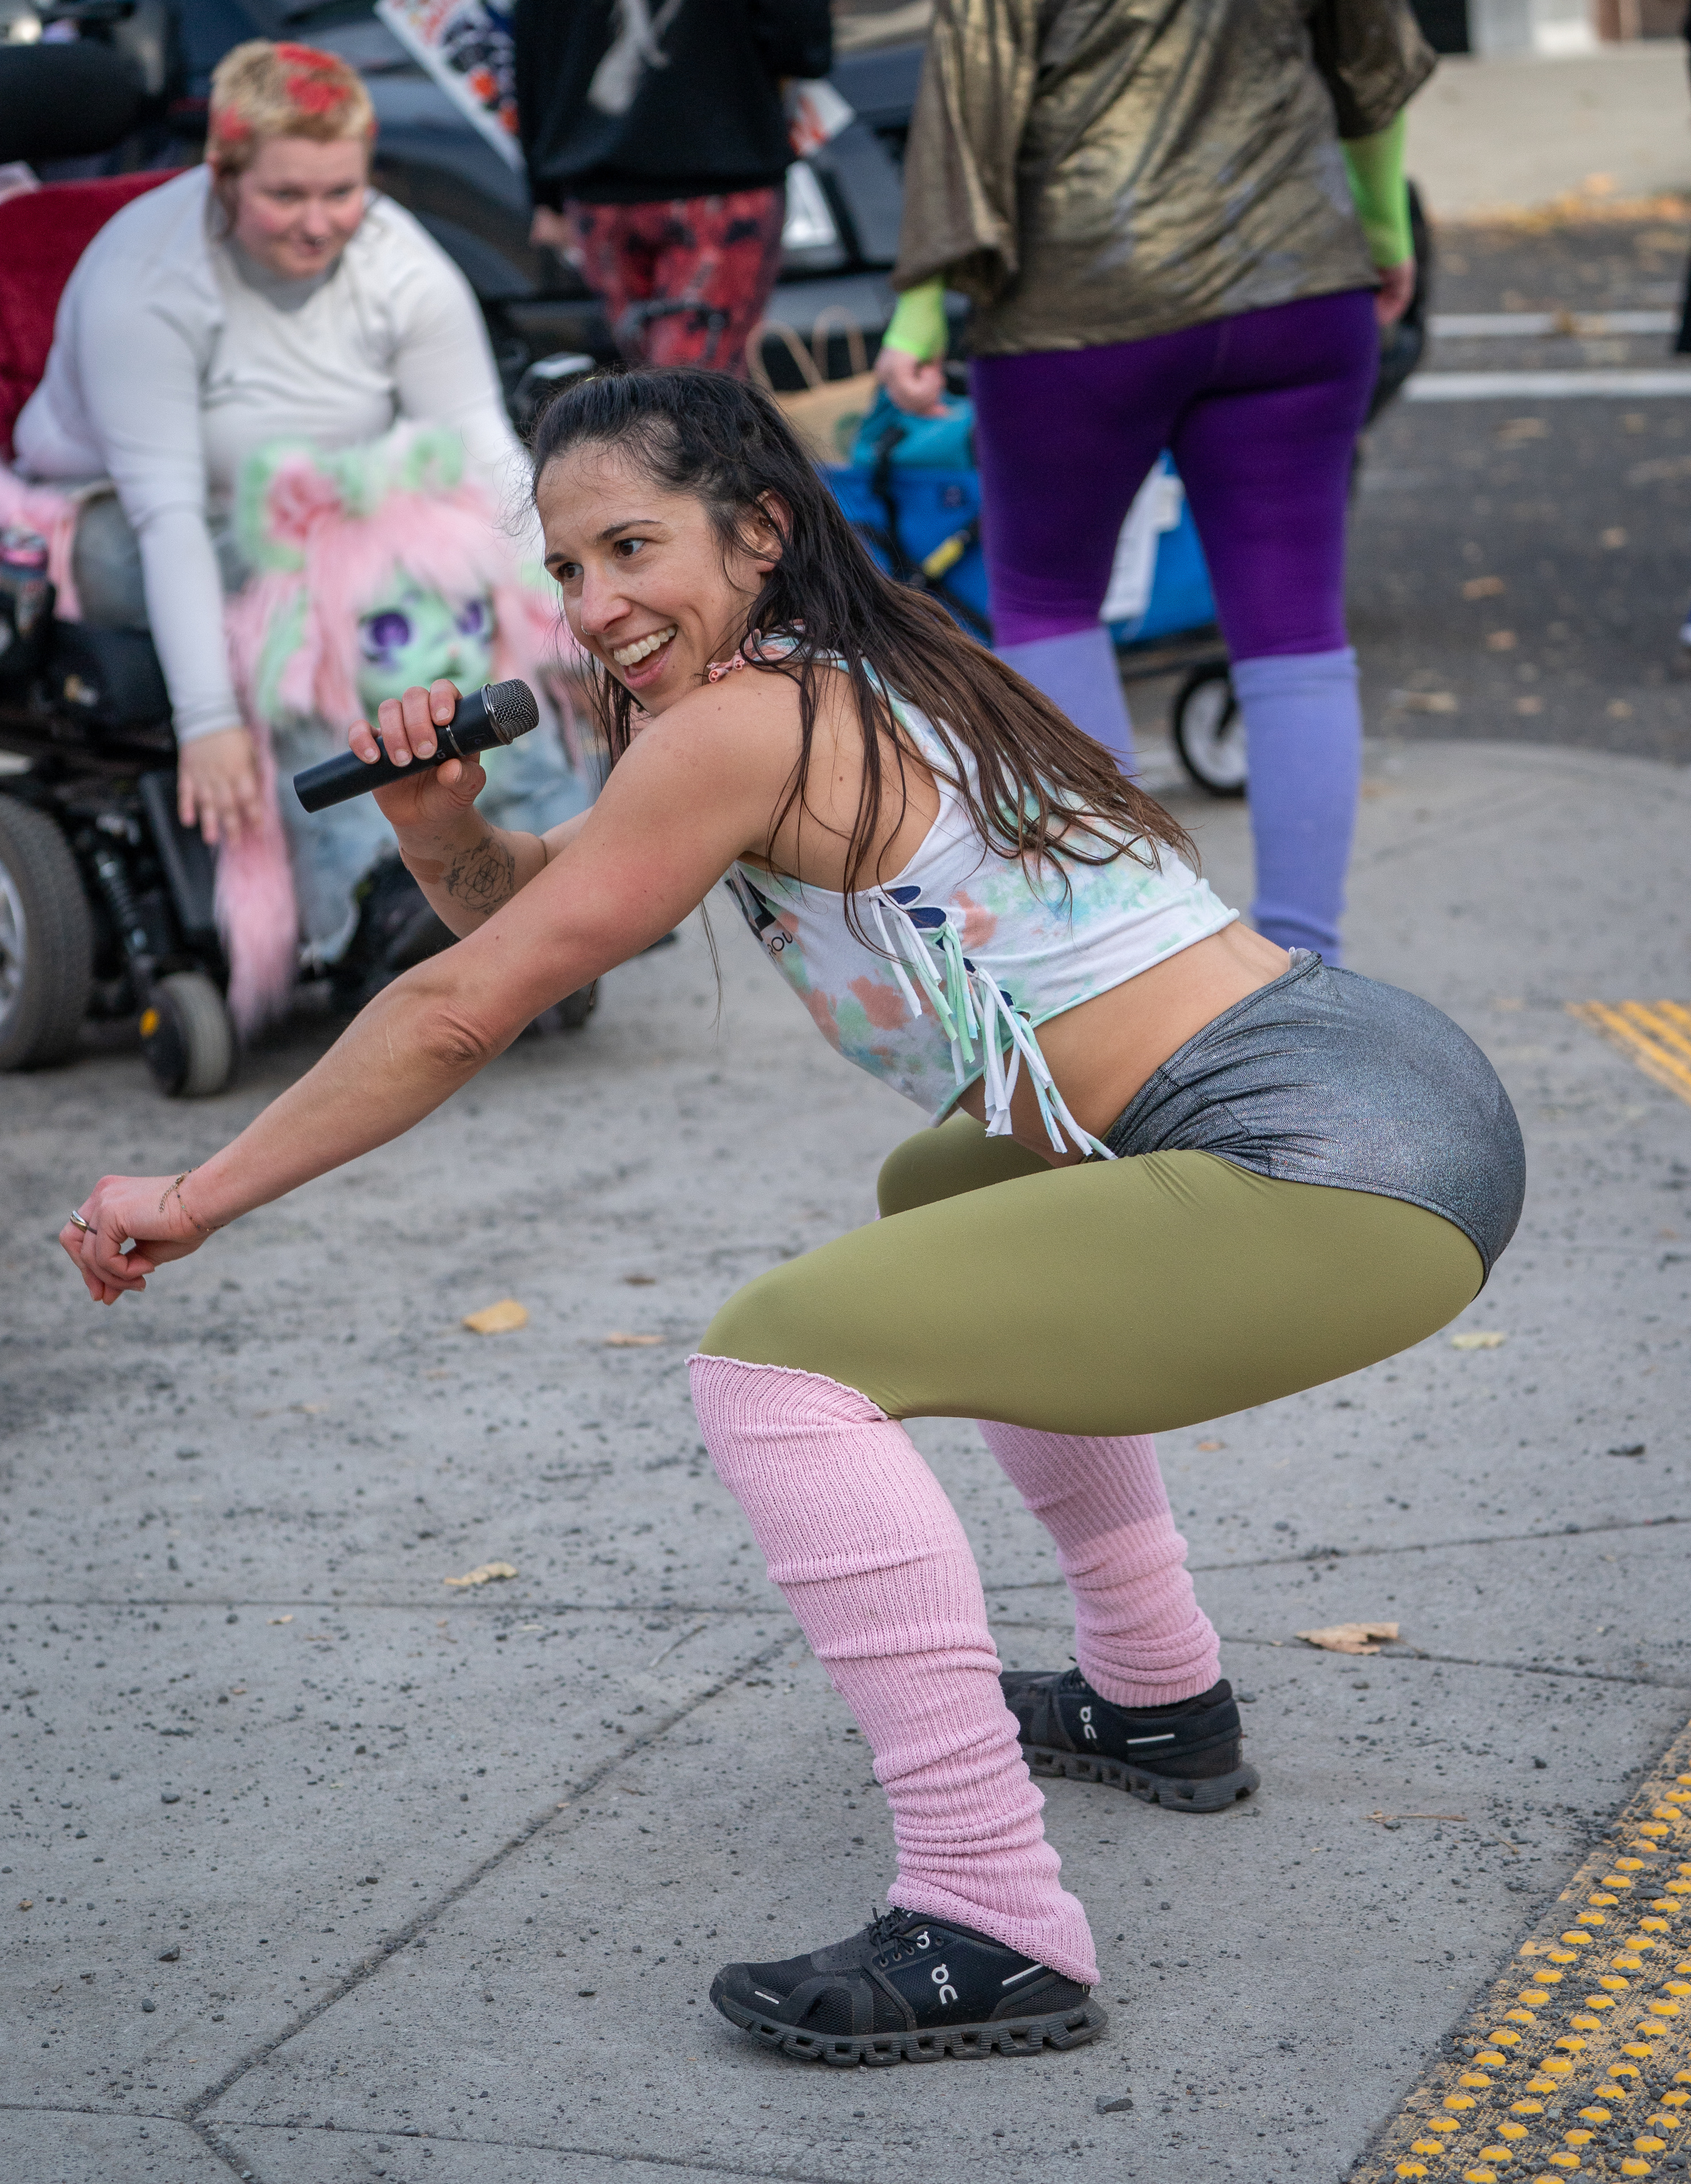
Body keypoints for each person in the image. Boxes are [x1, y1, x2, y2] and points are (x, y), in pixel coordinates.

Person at [65, 369, 1524, 2069]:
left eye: (631, 545)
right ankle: (1153, 1688)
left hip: (1330, 1161)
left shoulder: (738, 728)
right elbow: (533, 925)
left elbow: (465, 1006)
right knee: (939, 1196)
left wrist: (197, 1193)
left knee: (771, 1370)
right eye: (564, 569)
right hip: (1390, 1081)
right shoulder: (855, 657)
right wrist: (440, 826)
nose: (595, 603)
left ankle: (989, 1916)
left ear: (756, 530)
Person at [11, 39, 590, 985]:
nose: (320, 224)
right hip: (124, 512)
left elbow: (485, 447)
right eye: (286, 196)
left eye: (341, 192)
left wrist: (571, 603)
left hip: (332, 503)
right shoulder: (143, 286)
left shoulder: (398, 257)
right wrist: (206, 722)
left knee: (451, 581)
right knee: (298, 604)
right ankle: (363, 893)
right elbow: (164, 518)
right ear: (223, 175)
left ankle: (546, 844)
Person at [874, 0, 1434, 968]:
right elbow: (1371, 57)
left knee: (1047, 603)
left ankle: (1137, 951)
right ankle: (1306, 968)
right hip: (1296, 274)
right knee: (1296, 631)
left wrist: (920, 312)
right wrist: (1382, 225)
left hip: (1077, 298)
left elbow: (967, 105)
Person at [514, 0, 831, 375]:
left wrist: (544, 195)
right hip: (719, 181)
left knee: (657, 388)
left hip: (599, 189)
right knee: (689, 395)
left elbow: (530, 55)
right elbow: (802, 46)